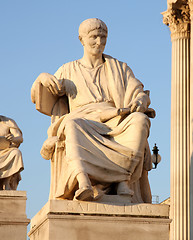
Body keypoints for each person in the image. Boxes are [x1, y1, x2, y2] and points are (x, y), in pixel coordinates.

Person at [31, 18, 154, 203]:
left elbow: (137, 89)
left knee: (140, 120)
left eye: (103, 37)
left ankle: (123, 178)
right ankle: (83, 181)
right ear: (81, 39)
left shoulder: (119, 67)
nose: (99, 42)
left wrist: (140, 99)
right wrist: (41, 78)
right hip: (83, 121)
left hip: (115, 119)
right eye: (94, 37)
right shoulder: (68, 69)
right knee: (71, 124)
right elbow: (43, 99)